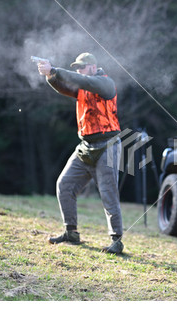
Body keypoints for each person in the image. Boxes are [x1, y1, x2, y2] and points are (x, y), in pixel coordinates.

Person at [36, 52, 124, 254]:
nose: (78, 71)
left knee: (108, 194)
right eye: (77, 68)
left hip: (107, 145)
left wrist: (56, 70)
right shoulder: (83, 86)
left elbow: (82, 80)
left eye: (82, 67)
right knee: (64, 184)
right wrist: (50, 76)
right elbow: (64, 87)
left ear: (93, 67)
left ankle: (116, 240)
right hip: (85, 145)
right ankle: (71, 232)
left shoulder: (106, 83)